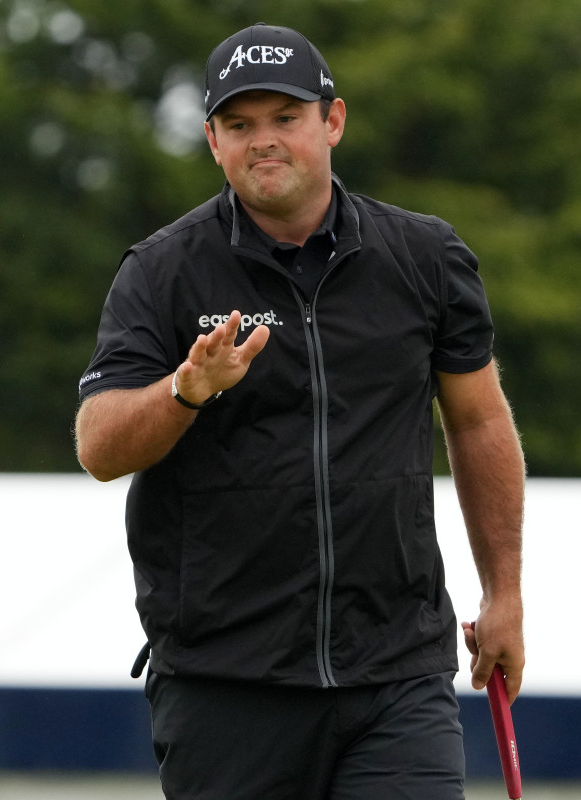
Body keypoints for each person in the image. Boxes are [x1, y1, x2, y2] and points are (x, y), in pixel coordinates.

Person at [74, 22, 525, 800]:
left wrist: (505, 593)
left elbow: (480, 423)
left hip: (396, 673)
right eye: (241, 126)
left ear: (333, 121)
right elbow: (99, 448)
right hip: (225, 683)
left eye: (285, 118)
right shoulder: (161, 272)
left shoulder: (426, 258)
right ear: (213, 141)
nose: (264, 142)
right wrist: (186, 391)